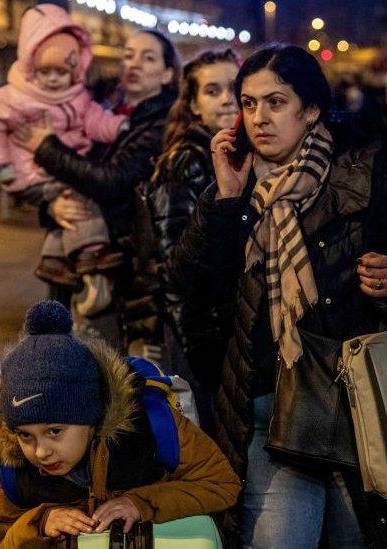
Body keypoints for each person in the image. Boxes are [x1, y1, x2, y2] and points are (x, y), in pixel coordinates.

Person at [168, 44, 387, 548]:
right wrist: (224, 202)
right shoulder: (236, 186)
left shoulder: (374, 173)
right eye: (249, 103)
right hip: (268, 407)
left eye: (276, 103)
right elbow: (188, 286)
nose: (259, 118)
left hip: (362, 411)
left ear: (311, 110)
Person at [0, 300, 241, 548]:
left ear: (92, 418)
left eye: (54, 431)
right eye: (25, 435)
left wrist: (141, 504)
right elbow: (3, 539)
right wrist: (38, 523)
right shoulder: (14, 465)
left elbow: (222, 484)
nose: (41, 451)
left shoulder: (149, 425)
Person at [12, 29, 179, 353]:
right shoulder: (110, 116)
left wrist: (45, 147)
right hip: (93, 265)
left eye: (148, 58)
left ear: (168, 73)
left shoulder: (161, 124)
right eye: (129, 55)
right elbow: (77, 181)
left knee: (109, 370)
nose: (134, 64)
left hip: (125, 274)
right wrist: (53, 207)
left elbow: (109, 182)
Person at [0, 4, 128, 312]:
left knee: (68, 212)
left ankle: (55, 260)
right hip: (31, 172)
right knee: (82, 210)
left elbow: (95, 119)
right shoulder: (16, 97)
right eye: (46, 72)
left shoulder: (78, 98)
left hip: (60, 172)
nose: (54, 79)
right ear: (32, 69)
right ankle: (91, 256)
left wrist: (116, 126)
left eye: (61, 72)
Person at [149, 48, 240, 433]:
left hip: (223, 332)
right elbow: (175, 268)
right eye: (212, 90)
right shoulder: (186, 160)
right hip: (200, 338)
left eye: (235, 88)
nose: (227, 99)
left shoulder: (237, 152)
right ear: (192, 105)